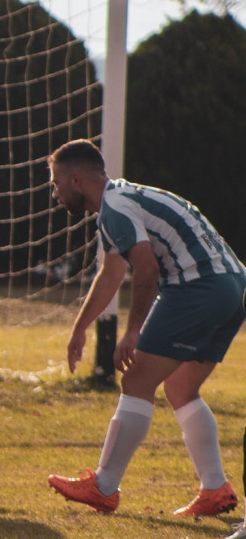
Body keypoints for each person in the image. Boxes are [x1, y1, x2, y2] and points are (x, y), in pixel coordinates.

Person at [46, 139, 241, 518]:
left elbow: (146, 269)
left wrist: (133, 331)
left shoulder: (115, 207)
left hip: (197, 287)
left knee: (135, 383)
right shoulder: (121, 200)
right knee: (180, 387)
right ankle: (215, 488)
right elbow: (112, 273)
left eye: (55, 183)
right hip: (232, 287)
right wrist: (80, 328)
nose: (55, 193)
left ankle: (103, 486)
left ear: (76, 179)